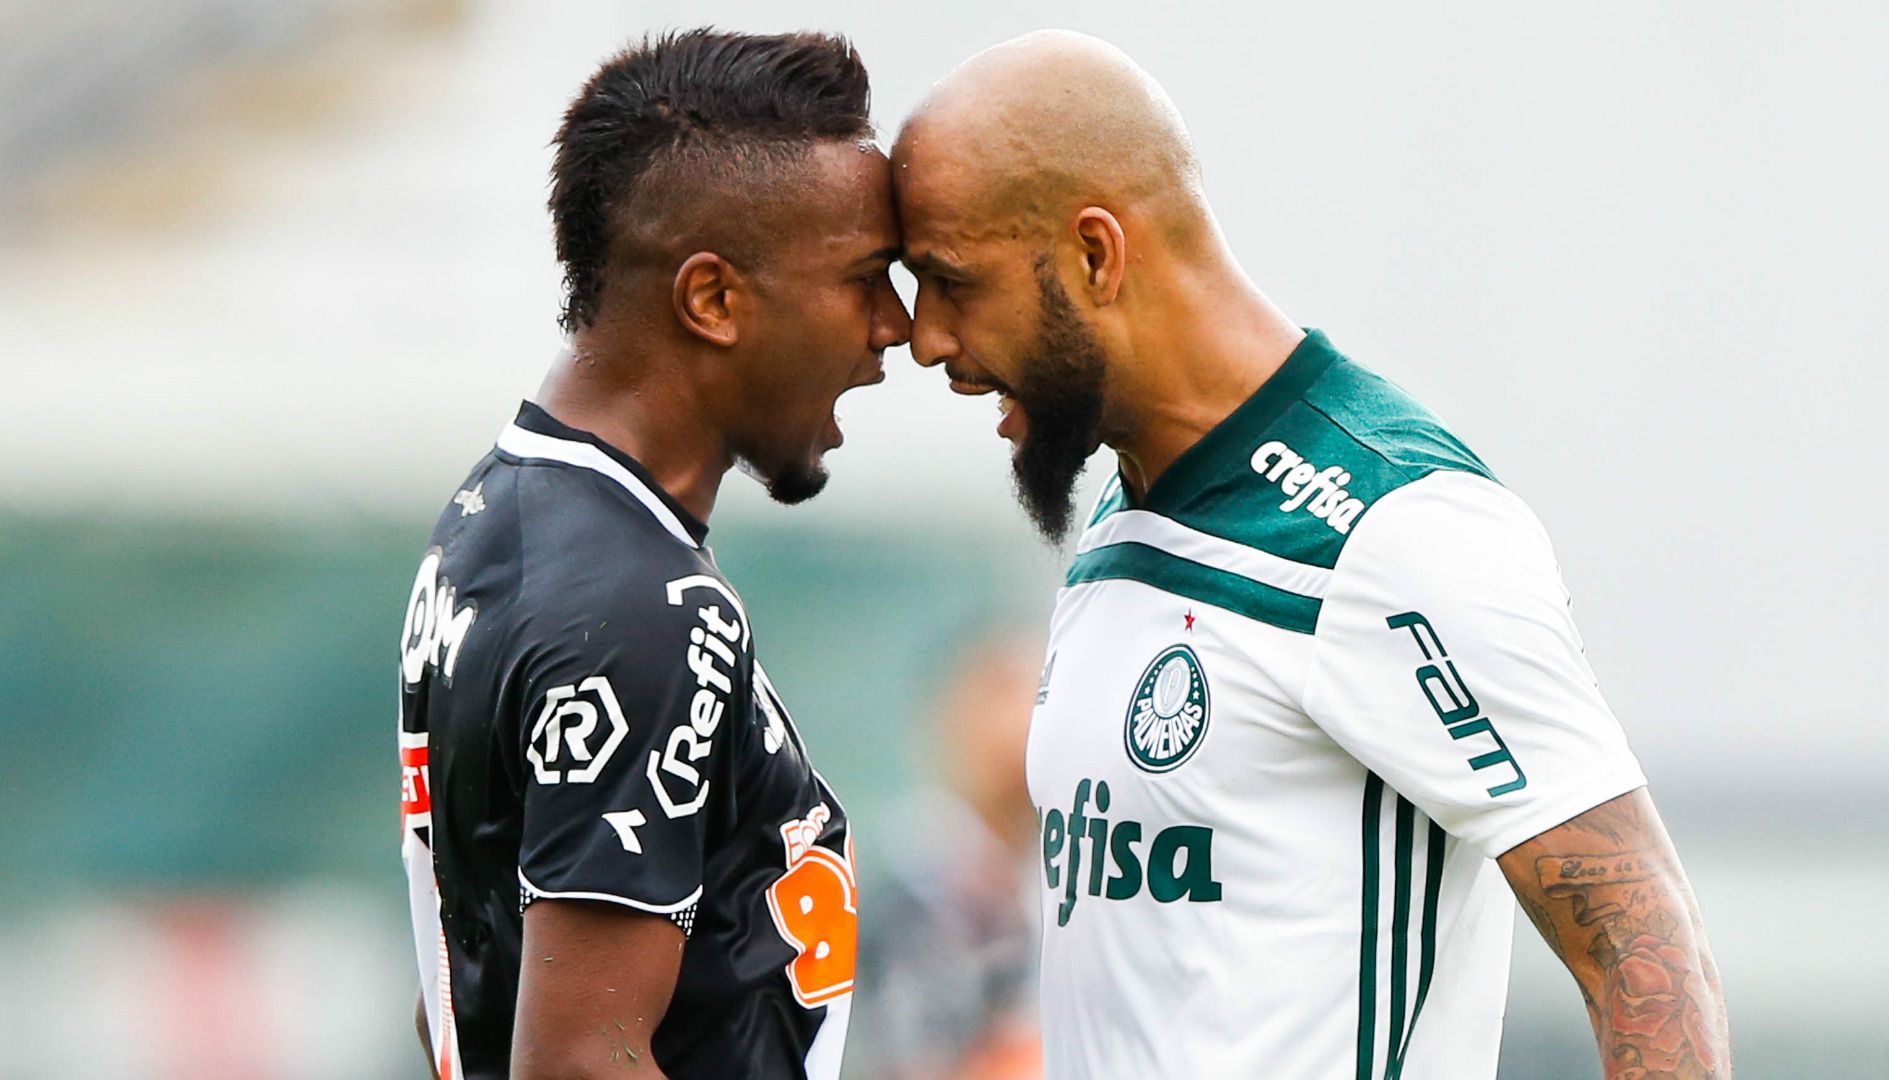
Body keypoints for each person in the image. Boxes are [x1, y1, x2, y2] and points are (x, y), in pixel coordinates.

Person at [891, 30, 1730, 1080]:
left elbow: (1643, 943)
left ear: (1097, 255)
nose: (923, 338)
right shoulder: (1120, 514)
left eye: (951, 282)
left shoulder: (1394, 528)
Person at [396, 30, 909, 1080]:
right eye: (863, 280)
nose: (893, 327)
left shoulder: (496, 517)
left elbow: (456, 991)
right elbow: (582, 1059)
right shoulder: (639, 608)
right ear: (712, 298)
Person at [846, 630, 1045, 1080]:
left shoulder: (1059, 882)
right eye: (1001, 693)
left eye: (1039, 693)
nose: (1022, 721)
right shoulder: (913, 896)